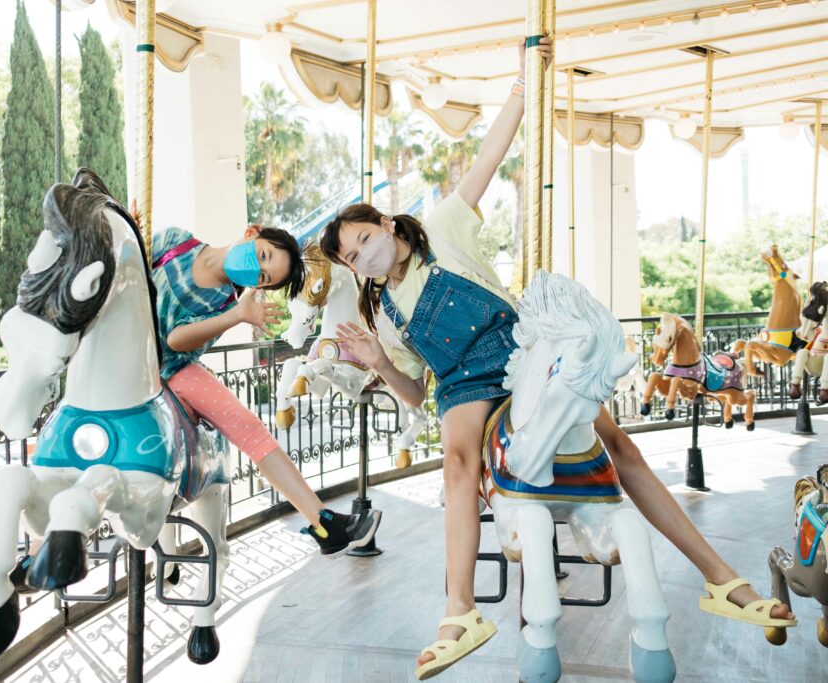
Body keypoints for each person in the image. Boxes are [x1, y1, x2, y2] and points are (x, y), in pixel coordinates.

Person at [321, 35, 794, 680]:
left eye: (363, 240)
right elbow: (414, 393)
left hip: (521, 352)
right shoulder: (385, 311)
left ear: (388, 226)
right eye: (352, 258)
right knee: (457, 463)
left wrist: (524, 84)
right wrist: (380, 360)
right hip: (462, 386)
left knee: (619, 445)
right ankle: (460, 609)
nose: (363, 257)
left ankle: (719, 575)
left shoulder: (446, 227)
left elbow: (491, 154)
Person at [147, 221, 381, 556]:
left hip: (169, 368)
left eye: (264, 278)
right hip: (122, 352)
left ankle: (322, 521)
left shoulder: (226, 303)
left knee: (249, 427)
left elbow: (176, 341)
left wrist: (238, 316)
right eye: (263, 255)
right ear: (252, 234)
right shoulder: (175, 242)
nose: (257, 270)